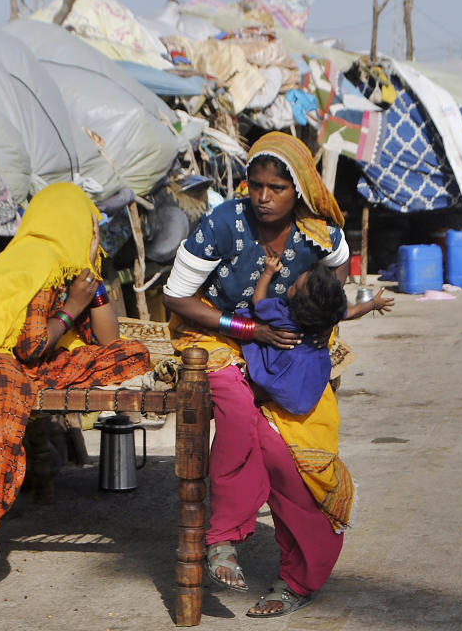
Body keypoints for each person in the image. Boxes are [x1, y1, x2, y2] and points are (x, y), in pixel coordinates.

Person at [162, 131, 355, 618]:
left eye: (277, 188)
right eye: (255, 185)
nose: (263, 197)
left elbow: (339, 274)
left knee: (294, 462)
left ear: (301, 191)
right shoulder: (225, 221)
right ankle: (224, 536)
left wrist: (308, 324)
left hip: (285, 345)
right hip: (215, 335)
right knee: (236, 407)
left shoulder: (320, 231)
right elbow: (176, 297)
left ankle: (300, 577)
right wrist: (250, 328)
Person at [0, 182, 151, 562]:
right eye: (90, 226)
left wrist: (92, 290)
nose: (94, 235)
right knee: (4, 395)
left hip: (31, 360)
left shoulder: (68, 266)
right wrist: (73, 305)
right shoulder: (39, 261)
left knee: (132, 354)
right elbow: (30, 346)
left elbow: (107, 342)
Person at [243, 258, 389, 416]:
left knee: (259, 385)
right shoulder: (327, 314)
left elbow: (258, 301)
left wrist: (268, 272)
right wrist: (374, 303)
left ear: (296, 299)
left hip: (283, 369)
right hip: (310, 374)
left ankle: (254, 394)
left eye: (294, 286)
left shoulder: (283, 317)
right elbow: (352, 312)